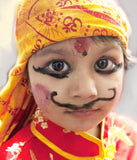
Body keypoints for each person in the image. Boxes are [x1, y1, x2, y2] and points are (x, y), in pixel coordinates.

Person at [0, 0, 137, 159]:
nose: (86, 91)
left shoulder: (131, 137)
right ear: (26, 78)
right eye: (58, 66)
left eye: (103, 63)